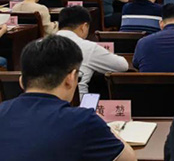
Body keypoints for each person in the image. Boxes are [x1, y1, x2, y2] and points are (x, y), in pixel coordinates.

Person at [0, 36, 136, 161]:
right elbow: (129, 159)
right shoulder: (84, 121)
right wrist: (106, 127)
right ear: (70, 78)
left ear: (21, 81)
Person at [57, 6, 129, 94]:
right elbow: (123, 66)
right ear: (84, 27)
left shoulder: (41, 44)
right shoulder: (88, 47)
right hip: (79, 101)